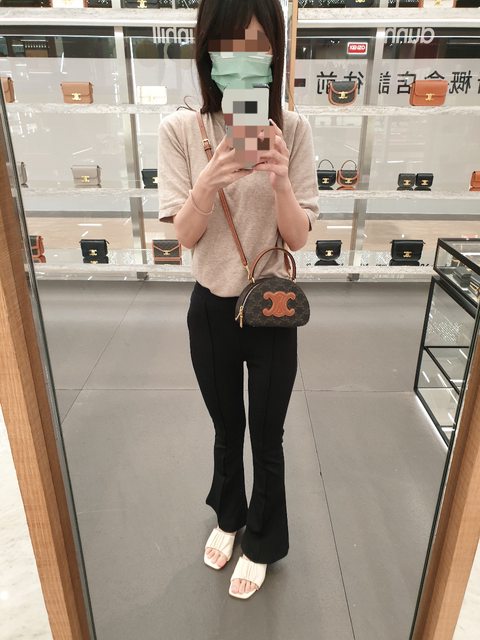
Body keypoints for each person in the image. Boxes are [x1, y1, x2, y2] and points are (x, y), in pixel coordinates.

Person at [157, 0, 319, 599]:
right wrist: (206, 185)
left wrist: (281, 183)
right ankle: (228, 515)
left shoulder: (293, 130)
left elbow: (298, 237)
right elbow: (183, 236)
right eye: (229, 43)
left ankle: (263, 540)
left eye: (258, 43)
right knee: (226, 427)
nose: (243, 57)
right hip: (211, 307)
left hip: (271, 309)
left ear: (276, 51)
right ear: (208, 50)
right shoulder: (180, 131)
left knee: (267, 435)